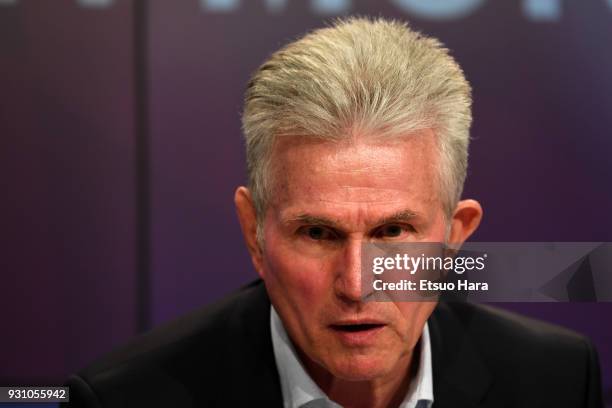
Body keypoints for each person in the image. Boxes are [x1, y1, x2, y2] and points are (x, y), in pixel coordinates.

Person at [64, 17, 603, 408]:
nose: (355, 283)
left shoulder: (553, 378)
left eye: (393, 231)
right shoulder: (124, 401)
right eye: (318, 232)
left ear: (455, 236)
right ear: (254, 234)